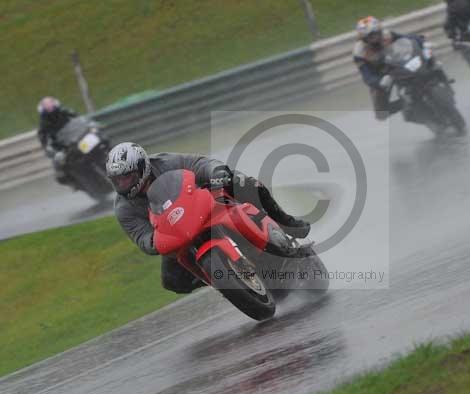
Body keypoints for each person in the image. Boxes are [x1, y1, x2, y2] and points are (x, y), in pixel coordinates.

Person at [106, 142, 311, 294]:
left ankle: (287, 223)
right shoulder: (123, 208)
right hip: (175, 232)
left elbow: (199, 163)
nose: (123, 184)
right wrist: (154, 242)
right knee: (172, 281)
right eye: (117, 180)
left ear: (143, 167)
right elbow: (141, 237)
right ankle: (224, 279)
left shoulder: (166, 162)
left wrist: (216, 172)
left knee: (246, 184)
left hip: (203, 201)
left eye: (127, 177)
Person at [352, 16, 430, 124]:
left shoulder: (387, 35)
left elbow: (407, 38)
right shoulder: (359, 52)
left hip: (398, 62)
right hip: (380, 75)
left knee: (427, 60)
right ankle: (404, 103)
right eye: (370, 36)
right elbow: (366, 75)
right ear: (364, 38)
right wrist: (378, 82)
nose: (374, 38)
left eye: (376, 33)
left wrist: (420, 40)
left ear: (379, 30)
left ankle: (436, 79)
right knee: (381, 114)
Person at [37, 97, 78, 186]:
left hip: (76, 138)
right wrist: (47, 148)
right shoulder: (43, 123)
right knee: (59, 162)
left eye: (51, 105)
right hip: (62, 146)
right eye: (47, 107)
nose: (50, 108)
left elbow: (78, 118)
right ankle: (72, 181)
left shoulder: (65, 112)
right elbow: (42, 137)